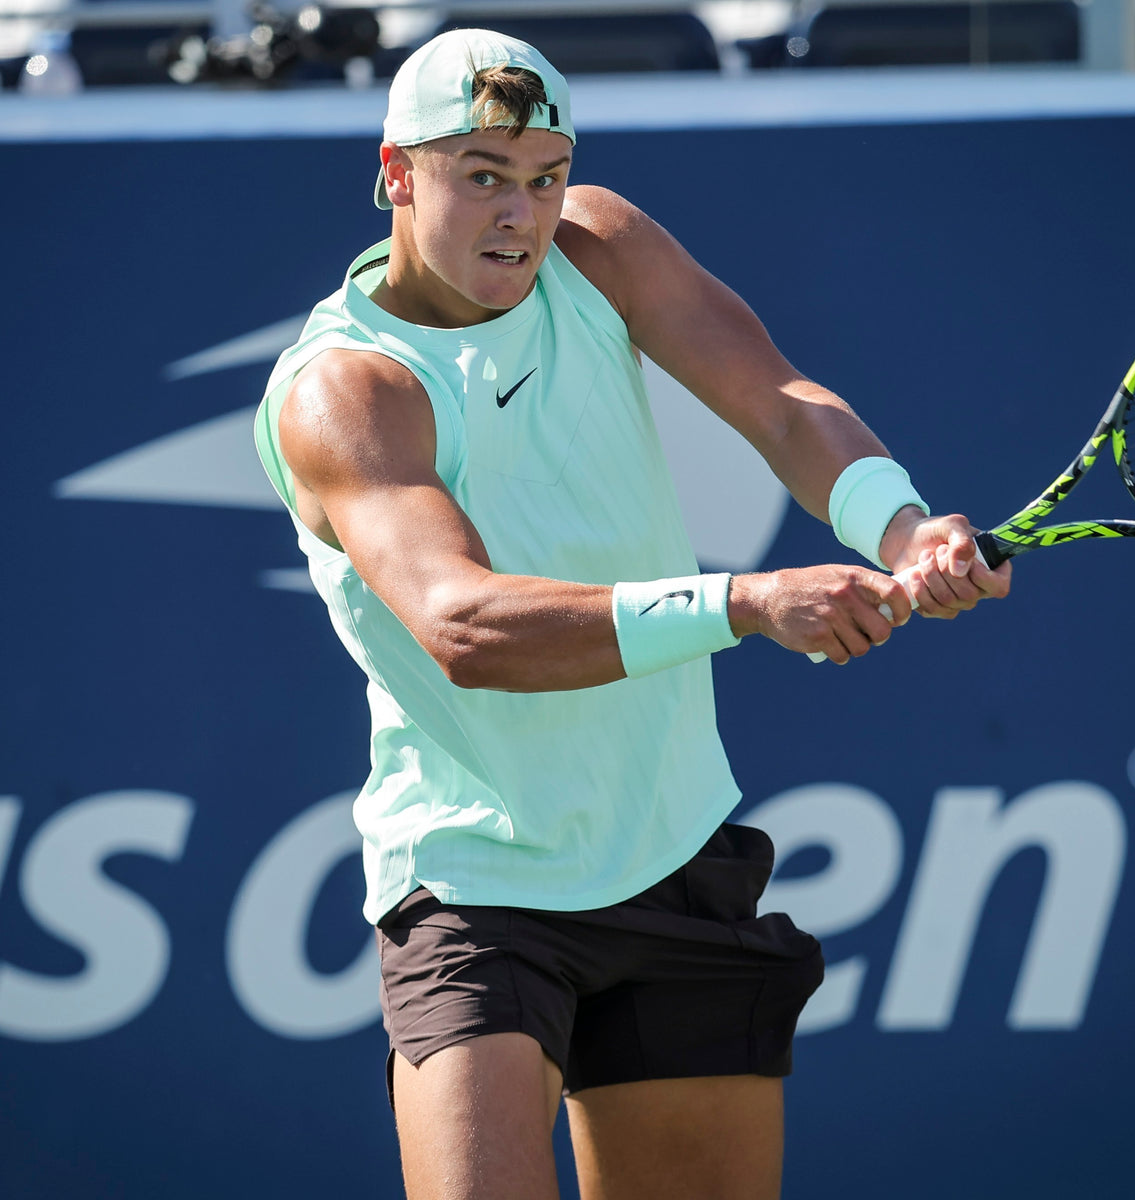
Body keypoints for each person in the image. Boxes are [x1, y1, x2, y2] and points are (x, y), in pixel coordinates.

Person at [254, 27, 1010, 1200]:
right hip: (474, 887)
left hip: (672, 856)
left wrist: (902, 525)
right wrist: (748, 603)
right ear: (397, 173)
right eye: (484, 177)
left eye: (545, 176)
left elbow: (782, 404)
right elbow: (464, 625)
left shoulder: (598, 248)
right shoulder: (347, 389)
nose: (523, 214)